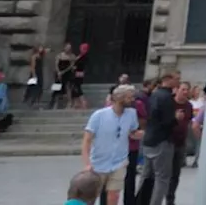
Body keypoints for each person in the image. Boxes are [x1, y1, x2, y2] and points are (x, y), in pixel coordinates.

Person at [82, 84, 142, 205]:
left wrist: (145, 134)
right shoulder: (99, 115)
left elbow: (132, 133)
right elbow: (87, 140)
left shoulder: (132, 114)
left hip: (119, 162)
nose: (132, 100)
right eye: (129, 97)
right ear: (120, 98)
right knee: (91, 197)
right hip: (98, 163)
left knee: (114, 196)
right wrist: (87, 163)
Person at [138, 70, 181, 205]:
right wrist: (177, 118)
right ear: (168, 79)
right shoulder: (167, 97)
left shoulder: (153, 95)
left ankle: (141, 201)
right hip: (161, 141)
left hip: (149, 139)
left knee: (146, 175)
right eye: (176, 79)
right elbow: (167, 122)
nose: (178, 82)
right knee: (162, 178)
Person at [166, 82, 194, 205]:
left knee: (176, 173)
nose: (185, 92)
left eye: (187, 90)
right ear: (176, 90)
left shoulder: (189, 106)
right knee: (165, 172)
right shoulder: (169, 103)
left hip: (181, 143)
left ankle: (170, 199)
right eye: (183, 89)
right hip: (167, 141)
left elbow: (189, 121)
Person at [52, 43, 76, 110]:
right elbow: (56, 64)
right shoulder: (59, 55)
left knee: (68, 87)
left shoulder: (72, 56)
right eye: (67, 47)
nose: (68, 49)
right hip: (59, 73)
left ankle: (69, 103)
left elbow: (71, 66)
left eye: (69, 47)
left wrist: (63, 72)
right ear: (64, 47)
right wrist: (58, 72)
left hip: (67, 73)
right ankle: (55, 103)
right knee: (56, 88)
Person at [72, 43, 90, 110]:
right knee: (75, 87)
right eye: (81, 48)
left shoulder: (85, 57)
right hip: (76, 73)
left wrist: (77, 68)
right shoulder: (80, 55)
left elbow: (84, 66)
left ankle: (83, 102)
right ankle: (77, 103)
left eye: (83, 48)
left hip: (79, 73)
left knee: (77, 86)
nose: (82, 49)